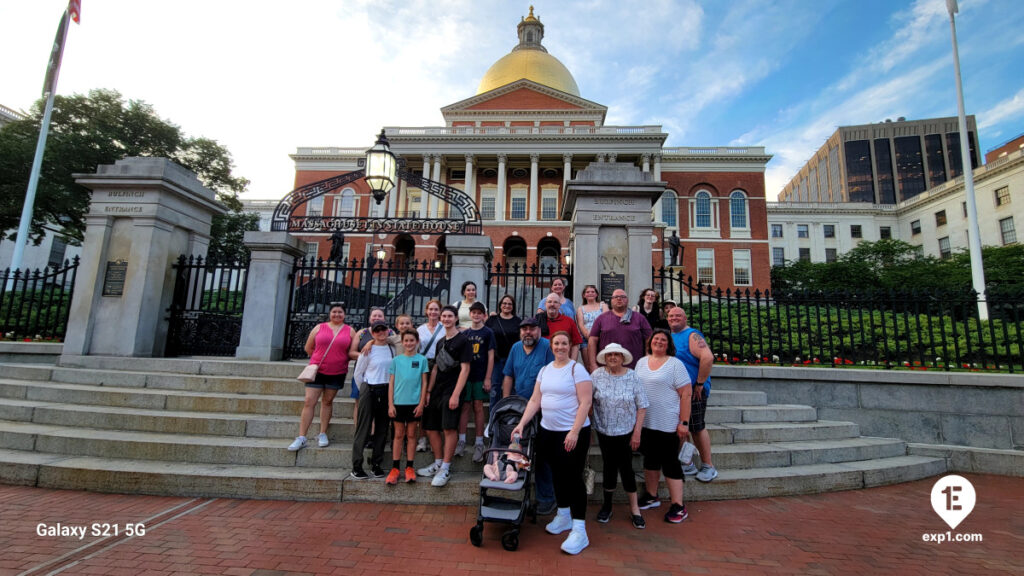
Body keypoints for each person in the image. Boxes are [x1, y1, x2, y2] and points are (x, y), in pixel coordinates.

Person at [512, 331, 593, 555]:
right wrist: (521, 423)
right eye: (556, 343)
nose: (560, 347)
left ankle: (579, 530)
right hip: (549, 431)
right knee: (557, 474)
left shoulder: (577, 369)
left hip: (572, 433)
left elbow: (586, 402)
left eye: (564, 343)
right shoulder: (545, 370)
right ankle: (564, 515)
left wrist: (575, 431)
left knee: (573, 478)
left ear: (570, 346)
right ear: (551, 346)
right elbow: (535, 399)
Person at [635, 329, 692, 524]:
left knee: (669, 462)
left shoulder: (675, 364)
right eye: (656, 339)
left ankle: (678, 505)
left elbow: (686, 394)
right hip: (646, 421)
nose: (659, 342)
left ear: (668, 344)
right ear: (650, 342)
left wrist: (684, 422)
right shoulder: (641, 362)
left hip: (667, 421)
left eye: (663, 340)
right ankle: (651, 495)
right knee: (650, 459)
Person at [590, 342, 649, 529]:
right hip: (604, 430)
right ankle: (607, 506)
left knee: (626, 468)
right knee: (608, 466)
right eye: (609, 355)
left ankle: (635, 509)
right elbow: (587, 402)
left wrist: (637, 433)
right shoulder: (596, 376)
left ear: (623, 357)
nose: (613, 358)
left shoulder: (633, 376)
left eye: (616, 354)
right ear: (604, 358)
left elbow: (642, 406)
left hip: (626, 432)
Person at [501, 316, 556, 515]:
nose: (528, 333)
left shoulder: (547, 347)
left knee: (543, 455)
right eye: (524, 329)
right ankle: (514, 490)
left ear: (539, 330)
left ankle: (546, 498)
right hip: (518, 409)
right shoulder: (516, 348)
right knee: (518, 451)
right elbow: (508, 375)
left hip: (543, 410)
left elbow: (553, 375)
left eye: (532, 329)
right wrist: (505, 403)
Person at [417, 305, 472, 487]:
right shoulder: (440, 341)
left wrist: (456, 394)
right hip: (437, 389)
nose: (447, 319)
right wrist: (429, 392)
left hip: (452, 388)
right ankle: (438, 461)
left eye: (450, 316)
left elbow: (465, 369)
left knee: (449, 428)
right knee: (431, 426)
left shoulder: (463, 341)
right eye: (444, 316)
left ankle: (446, 467)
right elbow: (435, 368)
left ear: (456, 318)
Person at [290, 302, 357, 451]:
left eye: (340, 312)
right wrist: (318, 358)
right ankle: (301, 436)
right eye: (334, 312)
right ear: (330, 314)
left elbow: (352, 351)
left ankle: (322, 433)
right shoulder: (319, 327)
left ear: (344, 315)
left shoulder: (350, 331)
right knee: (309, 401)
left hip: (337, 371)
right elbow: (308, 347)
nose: (337, 315)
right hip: (317, 370)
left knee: (327, 402)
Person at [666, 306, 718, 482]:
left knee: (696, 427)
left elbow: (707, 357)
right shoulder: (671, 336)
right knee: (680, 428)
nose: (674, 318)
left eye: (678, 316)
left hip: (693, 391)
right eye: (671, 316)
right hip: (676, 391)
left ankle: (708, 465)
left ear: (685, 318)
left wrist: (700, 383)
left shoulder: (692, 335)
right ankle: (686, 463)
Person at [349, 320, 397, 479]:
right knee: (364, 428)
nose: (381, 333)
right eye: (377, 330)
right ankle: (357, 465)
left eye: (383, 329)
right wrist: (364, 389)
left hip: (385, 390)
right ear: (373, 332)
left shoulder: (392, 348)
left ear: (388, 330)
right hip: (369, 388)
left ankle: (376, 463)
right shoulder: (367, 350)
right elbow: (358, 373)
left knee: (382, 429)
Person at [386, 329, 428, 485]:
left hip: (414, 403)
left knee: (411, 435)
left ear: (417, 342)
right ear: (402, 342)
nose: (409, 343)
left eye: (412, 340)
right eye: (406, 341)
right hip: (398, 403)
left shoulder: (422, 360)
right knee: (398, 434)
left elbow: (424, 383)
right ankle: (395, 467)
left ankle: (409, 467)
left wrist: (421, 403)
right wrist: (390, 404)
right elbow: (391, 383)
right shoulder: (396, 360)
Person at [456, 301, 496, 463]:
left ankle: (479, 442)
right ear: (470, 314)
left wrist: (488, 377)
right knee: (465, 406)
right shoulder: (465, 334)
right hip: (467, 376)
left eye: (480, 313)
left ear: (484, 315)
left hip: (480, 375)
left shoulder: (488, 333)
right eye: (474, 312)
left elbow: (491, 356)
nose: (476, 315)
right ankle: (462, 440)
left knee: (478, 407)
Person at [587, 289, 652, 371]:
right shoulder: (601, 318)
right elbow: (592, 340)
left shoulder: (639, 318)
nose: (619, 299)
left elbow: (649, 339)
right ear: (611, 300)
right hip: (606, 369)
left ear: (627, 300)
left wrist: (647, 360)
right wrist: (593, 364)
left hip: (635, 368)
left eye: (622, 297)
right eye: (616, 297)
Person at [415, 299, 444, 452]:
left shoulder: (444, 328)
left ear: (440, 312)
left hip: (440, 366)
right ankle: (422, 438)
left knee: (435, 403)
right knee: (423, 403)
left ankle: (435, 438)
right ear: (426, 311)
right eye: (430, 309)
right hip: (424, 365)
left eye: (436, 309)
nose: (433, 312)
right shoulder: (420, 329)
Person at [485, 293, 521, 408]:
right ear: (500, 305)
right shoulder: (493, 320)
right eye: (504, 303)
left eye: (510, 304)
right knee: (495, 387)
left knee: (513, 387)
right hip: (497, 359)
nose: (507, 306)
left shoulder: (517, 321)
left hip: (513, 359)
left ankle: (511, 414)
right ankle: (493, 417)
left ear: (513, 306)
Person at [536, 292, 583, 360]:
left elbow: (575, 345)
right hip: (542, 362)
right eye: (549, 302)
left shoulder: (569, 321)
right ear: (545, 304)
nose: (552, 304)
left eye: (555, 302)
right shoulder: (537, 321)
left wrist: (572, 364)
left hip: (563, 363)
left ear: (559, 305)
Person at [575, 284, 607, 355]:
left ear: (596, 294)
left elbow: (606, 322)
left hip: (601, 338)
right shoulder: (580, 309)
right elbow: (581, 325)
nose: (590, 293)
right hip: (586, 340)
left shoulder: (603, 306)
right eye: (588, 292)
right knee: (589, 365)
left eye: (592, 292)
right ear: (584, 295)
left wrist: (597, 335)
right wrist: (588, 336)